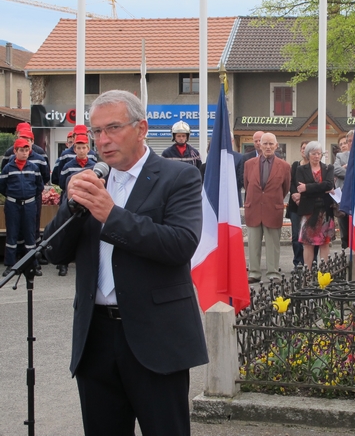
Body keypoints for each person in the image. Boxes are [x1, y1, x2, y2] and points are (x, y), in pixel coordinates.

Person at [43, 90, 207, 436]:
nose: (103, 140)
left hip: (155, 337)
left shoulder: (179, 178)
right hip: (96, 337)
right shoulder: (91, 180)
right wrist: (70, 206)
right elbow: (54, 252)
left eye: (113, 128)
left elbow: (180, 244)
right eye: (96, 131)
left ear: (142, 128)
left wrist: (111, 216)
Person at [243, 132, 291, 283]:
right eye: (265, 144)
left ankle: (273, 273)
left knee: (273, 244)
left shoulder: (284, 166)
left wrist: (271, 199)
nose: (268, 147)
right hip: (254, 208)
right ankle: (254, 272)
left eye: (271, 144)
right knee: (253, 244)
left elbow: (285, 188)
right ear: (259, 145)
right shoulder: (249, 164)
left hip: (273, 209)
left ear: (276, 146)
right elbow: (247, 184)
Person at [0, 138, 44, 276]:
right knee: (12, 235)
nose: (24, 153)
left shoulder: (34, 168)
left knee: (30, 235)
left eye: (26, 150)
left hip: (29, 205)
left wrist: (29, 197)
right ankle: (10, 265)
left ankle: (32, 264)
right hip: (13, 204)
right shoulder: (8, 168)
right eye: (21, 150)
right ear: (15, 151)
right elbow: (2, 186)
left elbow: (39, 186)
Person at [56, 133, 96, 277]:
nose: (81, 150)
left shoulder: (94, 166)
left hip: (87, 204)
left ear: (88, 149)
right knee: (67, 231)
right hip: (71, 203)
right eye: (78, 147)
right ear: (74, 149)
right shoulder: (67, 166)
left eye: (83, 147)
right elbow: (62, 183)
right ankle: (63, 265)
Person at [296, 141, 335, 269]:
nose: (317, 156)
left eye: (319, 153)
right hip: (308, 211)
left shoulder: (328, 168)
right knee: (308, 243)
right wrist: (319, 188)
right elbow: (300, 189)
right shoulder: (301, 169)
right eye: (314, 153)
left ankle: (324, 271)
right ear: (308, 154)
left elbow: (329, 185)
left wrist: (308, 187)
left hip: (325, 211)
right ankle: (308, 271)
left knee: (324, 242)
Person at [286, 140, 310, 268]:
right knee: (296, 235)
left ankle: (311, 261)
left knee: (310, 235)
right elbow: (290, 182)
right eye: (303, 148)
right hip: (295, 206)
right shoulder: (295, 165)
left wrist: (304, 196)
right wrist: (295, 195)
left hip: (310, 206)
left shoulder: (315, 166)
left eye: (307, 148)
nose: (304, 151)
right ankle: (298, 261)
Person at [334, 130, 353, 249]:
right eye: (341, 144)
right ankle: (345, 252)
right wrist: (352, 172)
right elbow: (336, 170)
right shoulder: (340, 156)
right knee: (344, 228)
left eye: (346, 142)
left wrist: (346, 169)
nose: (344, 145)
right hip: (342, 196)